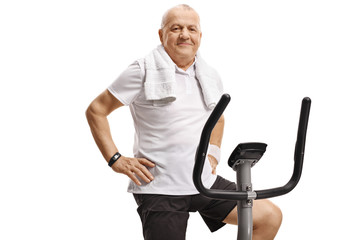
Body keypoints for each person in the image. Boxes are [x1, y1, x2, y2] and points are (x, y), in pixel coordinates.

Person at [86, 4, 282, 240]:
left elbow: (217, 117)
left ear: (200, 36)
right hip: (161, 188)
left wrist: (213, 154)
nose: (185, 35)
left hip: (202, 182)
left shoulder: (209, 75)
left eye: (191, 29)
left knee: (269, 217)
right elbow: (96, 110)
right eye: (176, 28)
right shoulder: (142, 70)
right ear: (162, 34)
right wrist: (115, 159)